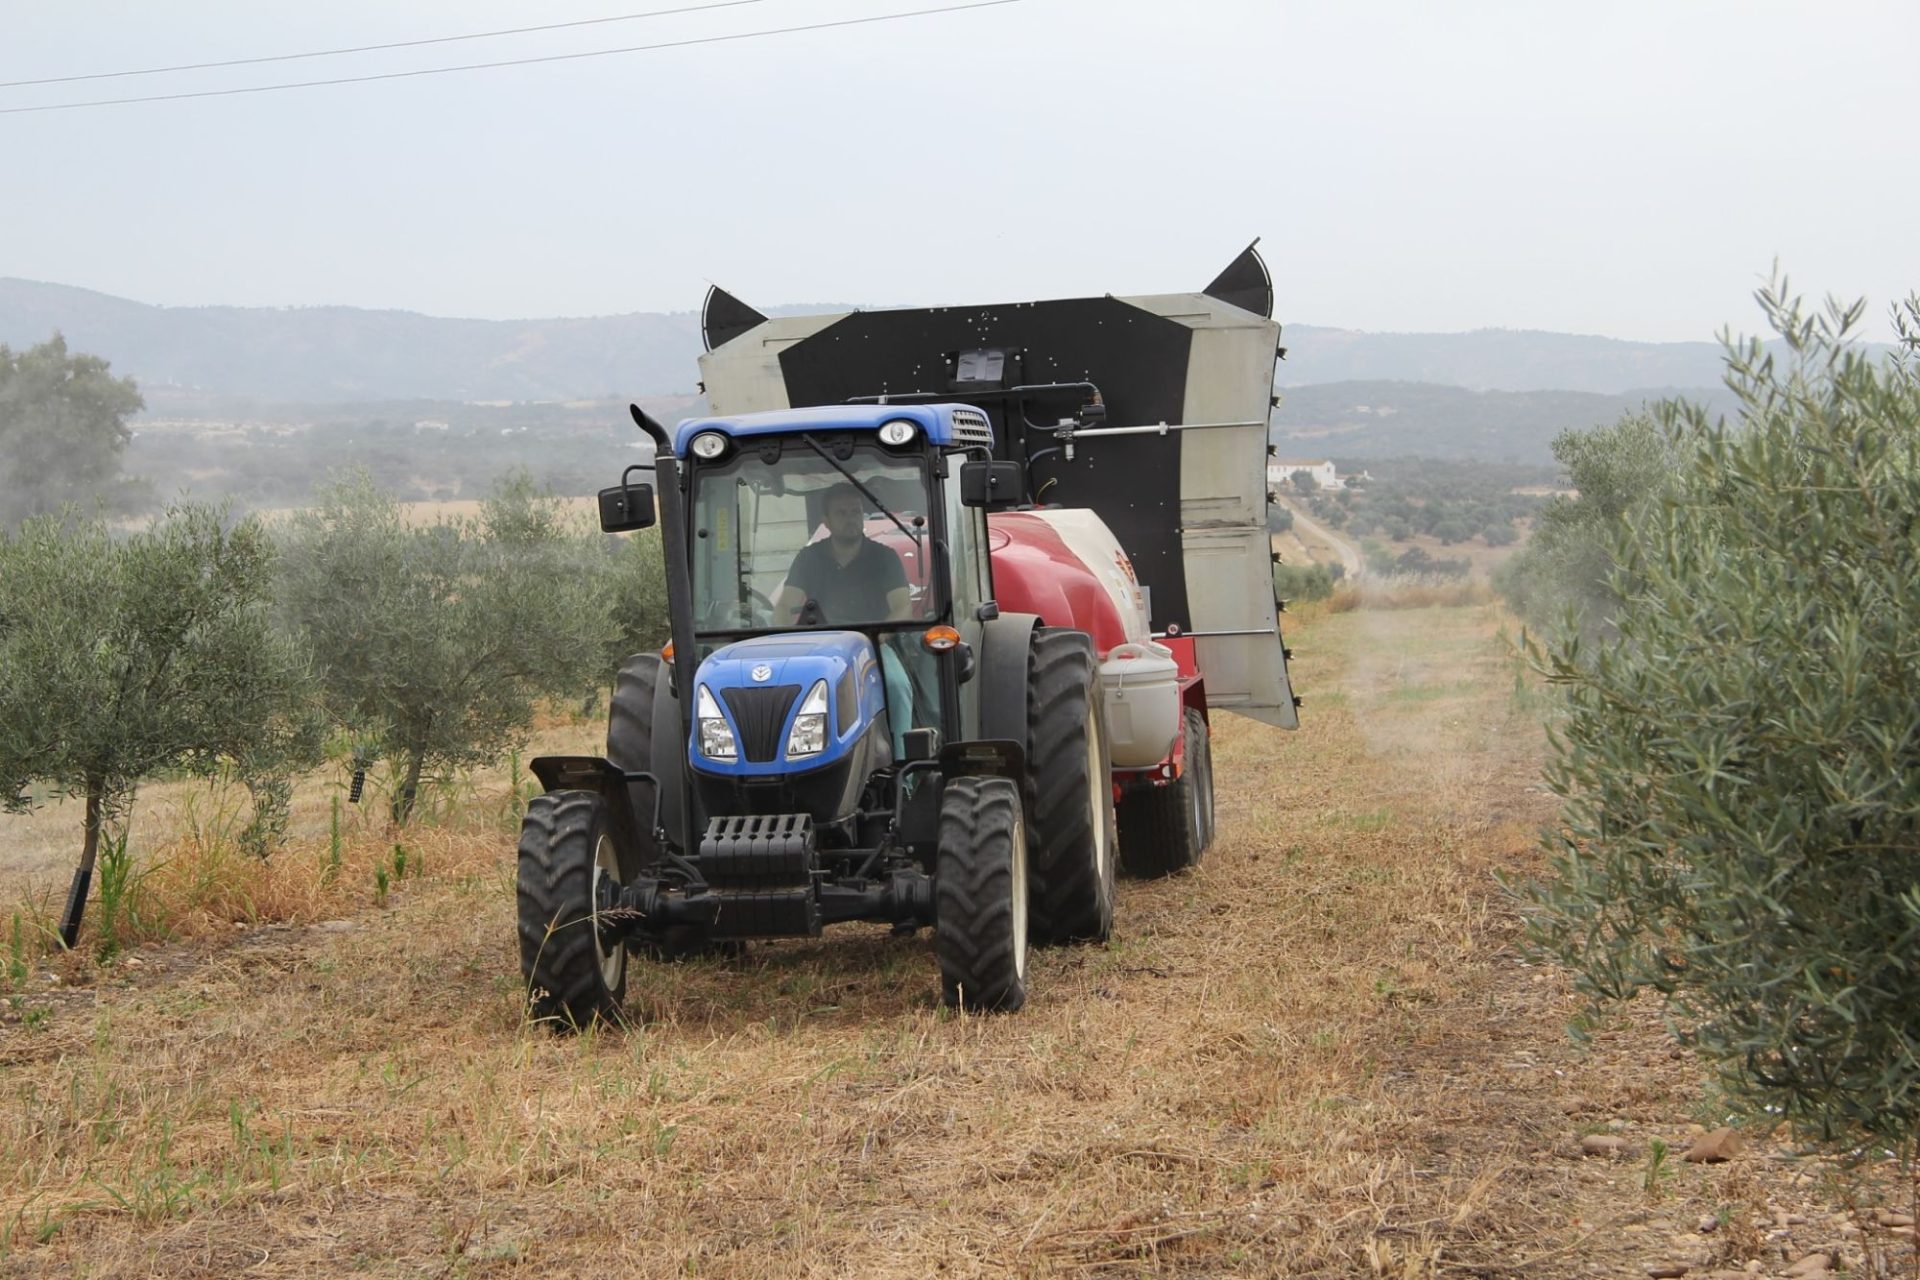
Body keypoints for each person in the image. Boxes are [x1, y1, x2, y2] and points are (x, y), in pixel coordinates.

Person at [773, 483, 912, 625]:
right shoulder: (808, 557)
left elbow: (903, 608)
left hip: (874, 642)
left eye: (856, 512)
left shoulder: (885, 557)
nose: (850, 519)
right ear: (826, 521)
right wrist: (783, 636)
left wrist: (880, 636)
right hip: (822, 641)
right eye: (841, 513)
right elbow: (785, 606)